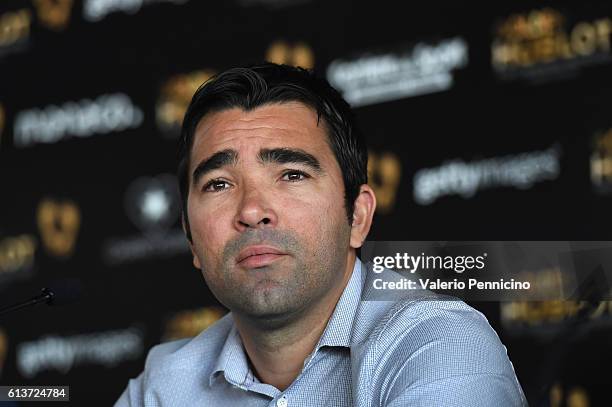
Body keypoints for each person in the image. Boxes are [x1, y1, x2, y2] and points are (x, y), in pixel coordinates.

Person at [115, 63, 527, 406]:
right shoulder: (163, 388)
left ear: (358, 217)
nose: (252, 210)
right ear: (190, 239)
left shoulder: (439, 346)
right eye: (219, 184)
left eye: (291, 175)